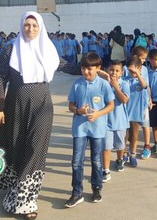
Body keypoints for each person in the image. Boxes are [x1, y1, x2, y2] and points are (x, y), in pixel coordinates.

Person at [0, 11, 60, 218]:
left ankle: (26, 199)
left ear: (41, 28)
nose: (30, 29)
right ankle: (15, 185)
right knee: (16, 146)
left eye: (35, 25)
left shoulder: (48, 49)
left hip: (42, 106)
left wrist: (93, 69)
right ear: (22, 26)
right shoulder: (10, 48)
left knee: (35, 148)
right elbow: (1, 78)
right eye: (27, 25)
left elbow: (66, 65)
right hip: (15, 105)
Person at [66, 52, 114, 208]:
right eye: (83, 68)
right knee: (76, 162)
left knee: (96, 160)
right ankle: (76, 192)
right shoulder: (77, 84)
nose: (86, 72)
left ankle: (96, 188)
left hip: (97, 129)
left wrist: (98, 114)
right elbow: (71, 105)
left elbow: (111, 105)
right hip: (80, 129)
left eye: (90, 69)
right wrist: (78, 111)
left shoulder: (103, 85)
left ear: (98, 68)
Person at [101, 60, 130, 182]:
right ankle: (105, 170)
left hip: (120, 121)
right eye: (111, 70)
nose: (114, 73)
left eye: (117, 71)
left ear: (122, 73)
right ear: (107, 71)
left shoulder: (124, 84)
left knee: (120, 145)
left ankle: (119, 159)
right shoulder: (103, 83)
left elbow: (124, 99)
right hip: (106, 122)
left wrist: (116, 87)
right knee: (106, 147)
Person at [123, 56, 152, 164]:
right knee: (124, 136)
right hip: (125, 113)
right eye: (130, 70)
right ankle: (124, 154)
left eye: (134, 70)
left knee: (134, 137)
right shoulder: (125, 80)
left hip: (136, 114)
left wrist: (137, 73)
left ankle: (133, 154)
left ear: (140, 69)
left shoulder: (140, 81)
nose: (132, 73)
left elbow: (144, 85)